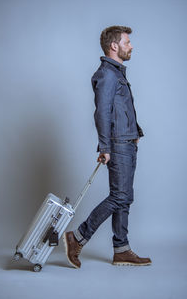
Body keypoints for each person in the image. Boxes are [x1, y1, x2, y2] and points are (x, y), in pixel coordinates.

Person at [63, 25, 152, 268]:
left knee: (125, 198)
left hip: (127, 143)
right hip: (118, 145)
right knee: (119, 196)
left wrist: (134, 134)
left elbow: (119, 110)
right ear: (114, 46)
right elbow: (102, 112)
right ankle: (78, 237)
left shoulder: (117, 73)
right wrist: (105, 146)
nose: (131, 46)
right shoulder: (107, 75)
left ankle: (121, 249)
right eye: (127, 42)